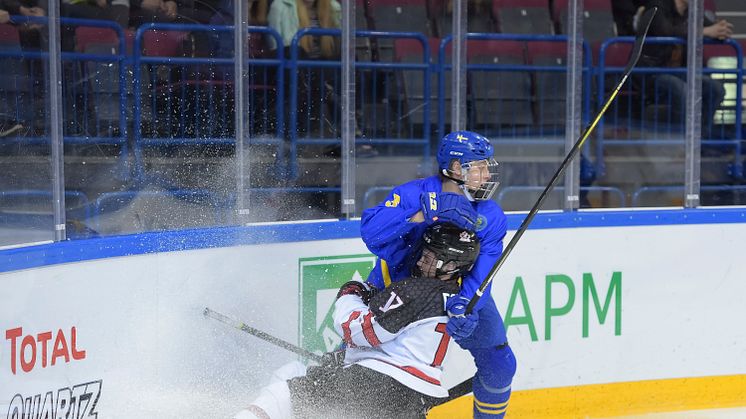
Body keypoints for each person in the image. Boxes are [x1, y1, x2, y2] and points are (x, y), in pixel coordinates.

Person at [233, 223, 482, 418]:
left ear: (450, 265)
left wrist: (349, 294)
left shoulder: (417, 290)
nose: (419, 261)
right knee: (296, 374)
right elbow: (402, 346)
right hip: (411, 403)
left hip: (377, 388)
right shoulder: (454, 296)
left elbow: (359, 331)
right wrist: (344, 358)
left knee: (283, 394)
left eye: (428, 258)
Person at [360, 130, 516, 418]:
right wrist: (424, 213)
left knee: (500, 364)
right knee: (354, 350)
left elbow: (483, 272)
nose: (486, 174)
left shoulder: (491, 215)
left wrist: (466, 307)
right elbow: (372, 233)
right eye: (479, 166)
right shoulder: (411, 194)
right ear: (457, 168)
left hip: (453, 292)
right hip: (396, 286)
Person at [639, 0, 731, 136]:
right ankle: (680, 142)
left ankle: (701, 140)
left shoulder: (692, 12)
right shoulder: (657, 5)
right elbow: (665, 31)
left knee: (716, 89)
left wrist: (720, 29)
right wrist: (705, 31)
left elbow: (710, 29)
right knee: (682, 89)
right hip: (652, 72)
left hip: (680, 72)